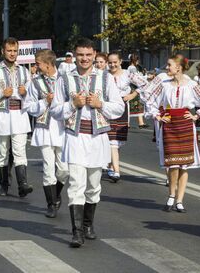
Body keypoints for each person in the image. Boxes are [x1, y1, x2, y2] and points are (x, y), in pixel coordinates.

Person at [51, 38, 125, 248]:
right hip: (75, 138)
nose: (84, 59)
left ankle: (88, 224)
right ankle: (76, 233)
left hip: (97, 138)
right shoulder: (64, 79)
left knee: (93, 186)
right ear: (74, 56)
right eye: (80, 55)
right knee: (76, 185)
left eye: (88, 55)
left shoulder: (105, 78)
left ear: (94, 55)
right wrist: (72, 105)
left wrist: (100, 104)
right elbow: (55, 111)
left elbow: (119, 107)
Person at [148, 55, 200, 213]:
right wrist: (158, 116)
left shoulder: (192, 85)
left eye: (169, 65)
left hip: (185, 125)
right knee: (173, 163)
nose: (167, 67)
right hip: (170, 124)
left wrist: (196, 116)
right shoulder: (164, 85)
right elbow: (149, 100)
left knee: (184, 165)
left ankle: (180, 200)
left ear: (178, 67)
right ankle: (171, 195)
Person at [0, 37, 33, 197]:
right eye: (9, 50)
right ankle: (4, 185)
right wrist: (1, 93)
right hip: (2, 115)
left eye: (15, 51)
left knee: (19, 151)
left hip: (19, 115)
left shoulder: (24, 71)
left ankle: (22, 184)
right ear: (3, 51)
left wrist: (26, 94)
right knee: (2, 153)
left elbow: (32, 96)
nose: (12, 54)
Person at [24, 49, 68, 218]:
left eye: (38, 63)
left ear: (49, 65)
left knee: (64, 170)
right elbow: (30, 108)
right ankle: (51, 204)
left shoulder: (65, 79)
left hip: (63, 129)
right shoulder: (35, 83)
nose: (36, 67)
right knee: (48, 168)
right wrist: (45, 102)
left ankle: (56, 194)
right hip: (44, 129)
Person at [106, 52, 137, 182]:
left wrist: (132, 95)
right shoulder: (104, 75)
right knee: (112, 140)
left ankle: (111, 164)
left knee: (117, 142)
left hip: (123, 108)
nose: (112, 65)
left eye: (115, 62)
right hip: (108, 108)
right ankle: (116, 171)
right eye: (110, 62)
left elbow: (146, 85)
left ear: (120, 62)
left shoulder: (127, 74)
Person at [128, 54, 148, 129]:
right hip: (133, 88)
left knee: (138, 105)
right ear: (135, 60)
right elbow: (136, 78)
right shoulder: (132, 68)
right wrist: (145, 78)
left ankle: (141, 123)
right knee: (132, 106)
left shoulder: (134, 67)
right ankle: (128, 123)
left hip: (136, 88)